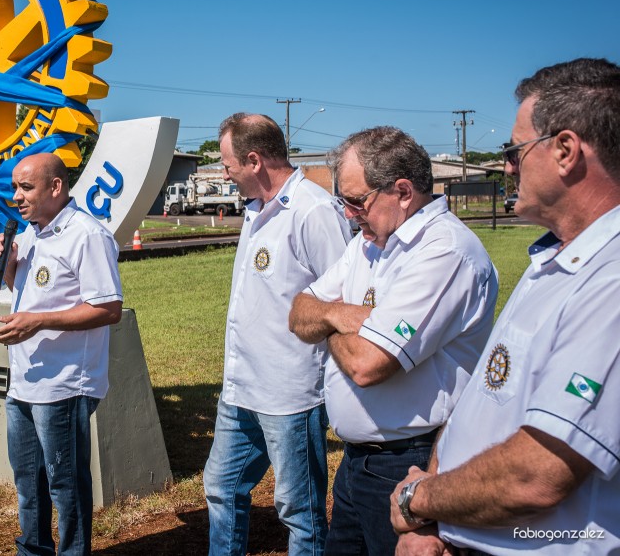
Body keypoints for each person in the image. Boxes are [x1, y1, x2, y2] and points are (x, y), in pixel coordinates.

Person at [390, 58, 620, 555]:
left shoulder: (611, 278)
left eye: (515, 151)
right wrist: (433, 518)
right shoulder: (557, 258)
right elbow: (486, 402)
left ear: (565, 151)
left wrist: (418, 500)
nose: (508, 167)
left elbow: (536, 475)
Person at [289, 126, 498, 555]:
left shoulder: (444, 252)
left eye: (356, 200)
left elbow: (367, 365)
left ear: (402, 192)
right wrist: (341, 315)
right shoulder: (369, 244)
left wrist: (328, 322)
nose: (349, 214)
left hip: (410, 463)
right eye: (342, 201)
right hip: (358, 463)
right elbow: (299, 312)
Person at [203, 113, 351, 556]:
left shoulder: (313, 211)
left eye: (228, 165)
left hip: (290, 394)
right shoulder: (256, 209)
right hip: (241, 389)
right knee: (221, 488)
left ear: (253, 160)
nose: (225, 175)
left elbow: (342, 300)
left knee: (299, 510)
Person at [0, 152, 123, 556]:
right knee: (28, 482)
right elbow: (28, 294)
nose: (16, 196)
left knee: (66, 486)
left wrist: (38, 322)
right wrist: (9, 266)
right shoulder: (31, 234)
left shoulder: (87, 235)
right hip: (24, 380)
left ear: (56, 187)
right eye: (14, 187)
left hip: (64, 384)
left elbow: (108, 309)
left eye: (25, 187)